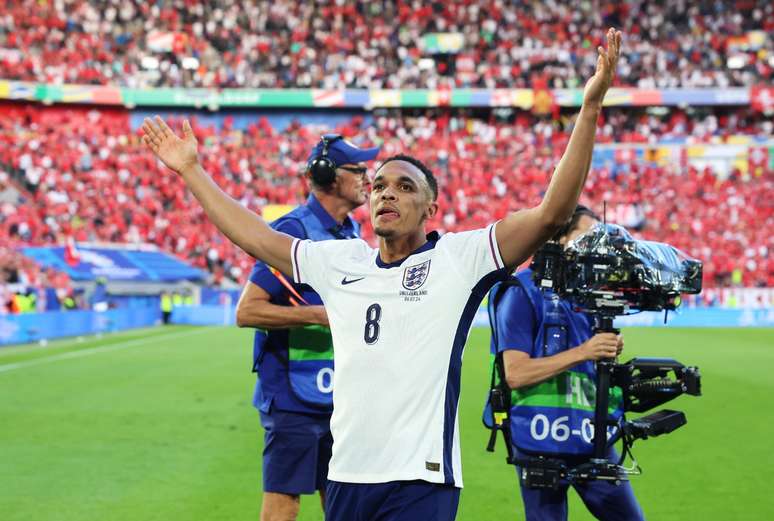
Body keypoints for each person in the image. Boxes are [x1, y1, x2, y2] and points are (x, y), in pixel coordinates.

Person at [140, 28, 622, 521]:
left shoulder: (459, 259)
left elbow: (549, 214)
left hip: (421, 478)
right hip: (347, 475)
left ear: (431, 206)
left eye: (404, 186)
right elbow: (256, 238)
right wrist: (192, 171)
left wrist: (588, 109)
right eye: (378, 186)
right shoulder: (340, 261)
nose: (385, 194)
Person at [235, 135, 378, 521]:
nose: (368, 178)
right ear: (328, 175)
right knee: (284, 504)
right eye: (358, 170)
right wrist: (318, 315)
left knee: (345, 501)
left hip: (339, 393)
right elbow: (248, 311)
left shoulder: (350, 233)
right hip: (292, 396)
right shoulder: (291, 231)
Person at [487, 205, 645, 521]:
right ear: (558, 238)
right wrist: (585, 351)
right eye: (587, 237)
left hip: (592, 432)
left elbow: (590, 357)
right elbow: (515, 374)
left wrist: (606, 350)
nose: (596, 247)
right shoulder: (522, 290)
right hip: (540, 438)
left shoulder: (589, 292)